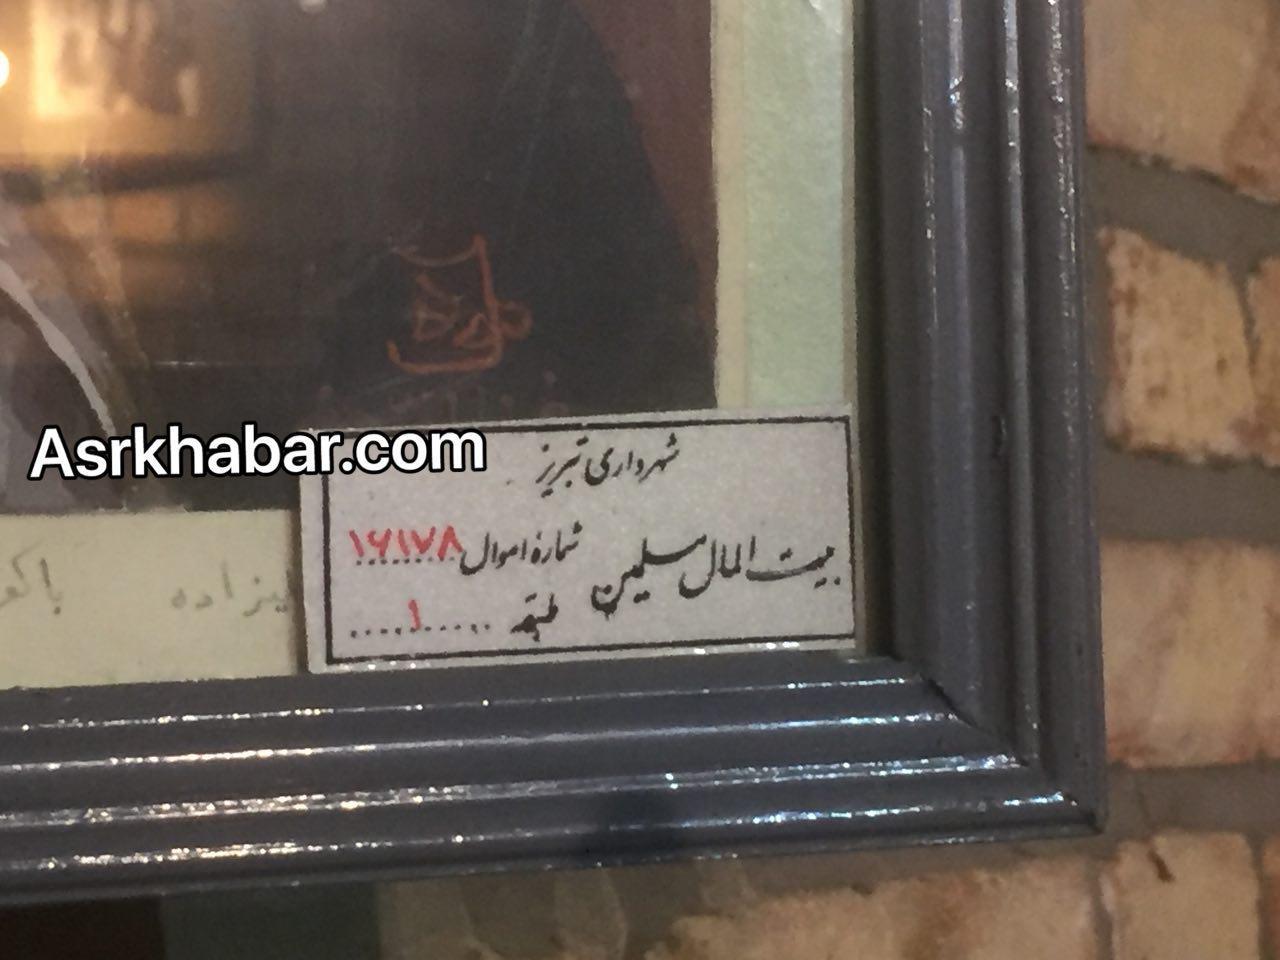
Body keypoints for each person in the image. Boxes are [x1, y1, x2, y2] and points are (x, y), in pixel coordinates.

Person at [0, 0, 714, 511]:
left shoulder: (530, 45)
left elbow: (651, 348)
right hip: (256, 541)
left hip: (543, 528)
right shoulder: (198, 65)